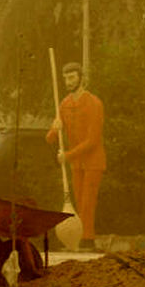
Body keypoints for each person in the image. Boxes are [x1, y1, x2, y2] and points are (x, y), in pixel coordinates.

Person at [46, 60, 105, 251]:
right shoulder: (64, 104)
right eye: (66, 78)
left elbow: (92, 140)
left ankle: (88, 239)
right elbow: (50, 138)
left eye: (72, 77)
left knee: (87, 202)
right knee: (79, 201)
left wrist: (68, 155)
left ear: (81, 78)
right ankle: (80, 239)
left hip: (93, 161)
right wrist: (55, 128)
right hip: (76, 163)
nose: (68, 82)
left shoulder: (94, 103)